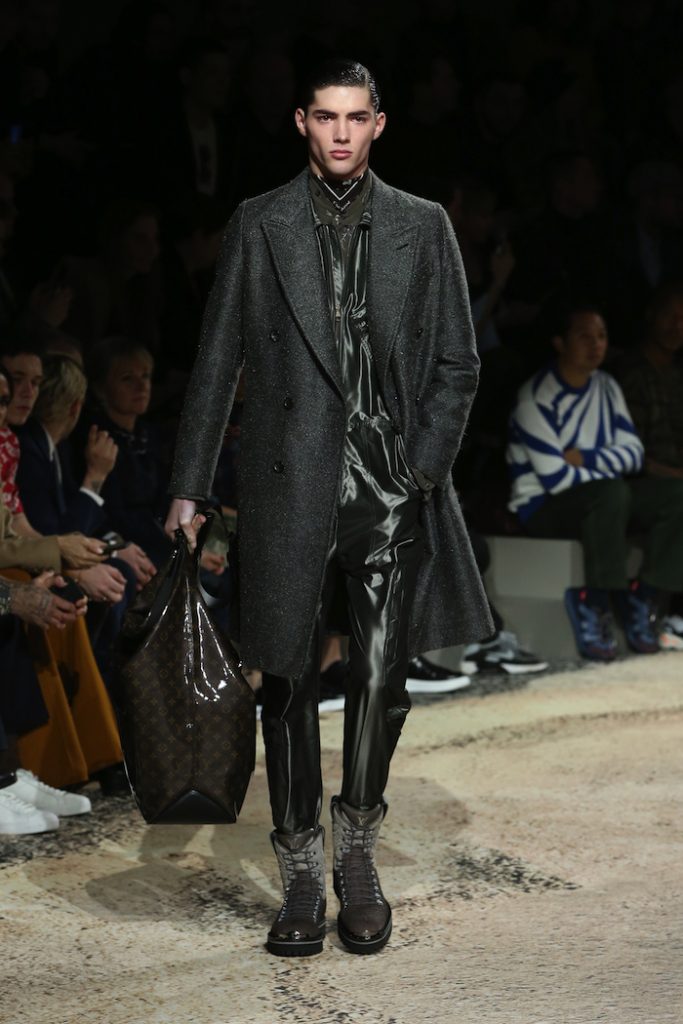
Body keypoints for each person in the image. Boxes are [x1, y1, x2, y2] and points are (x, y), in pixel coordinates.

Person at [165, 59, 491, 957]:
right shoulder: (259, 221)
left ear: (378, 123)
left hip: (387, 483)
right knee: (289, 678)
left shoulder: (422, 224)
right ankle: (302, 870)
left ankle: (356, 849)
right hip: (289, 482)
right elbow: (219, 354)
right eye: (325, 117)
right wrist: (189, 482)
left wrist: (421, 467)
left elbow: (458, 362)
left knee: (382, 680)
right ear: (300, 122)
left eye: (355, 117)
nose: (340, 132)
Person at [507, 303, 683, 661]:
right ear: (560, 342)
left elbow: (634, 455)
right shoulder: (535, 397)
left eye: (601, 336)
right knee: (612, 492)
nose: (596, 345)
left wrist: (586, 458)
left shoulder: (606, 386)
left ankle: (645, 595)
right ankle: (596, 599)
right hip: (544, 506)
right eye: (584, 336)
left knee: (675, 494)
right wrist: (609, 469)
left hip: (606, 497)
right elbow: (556, 477)